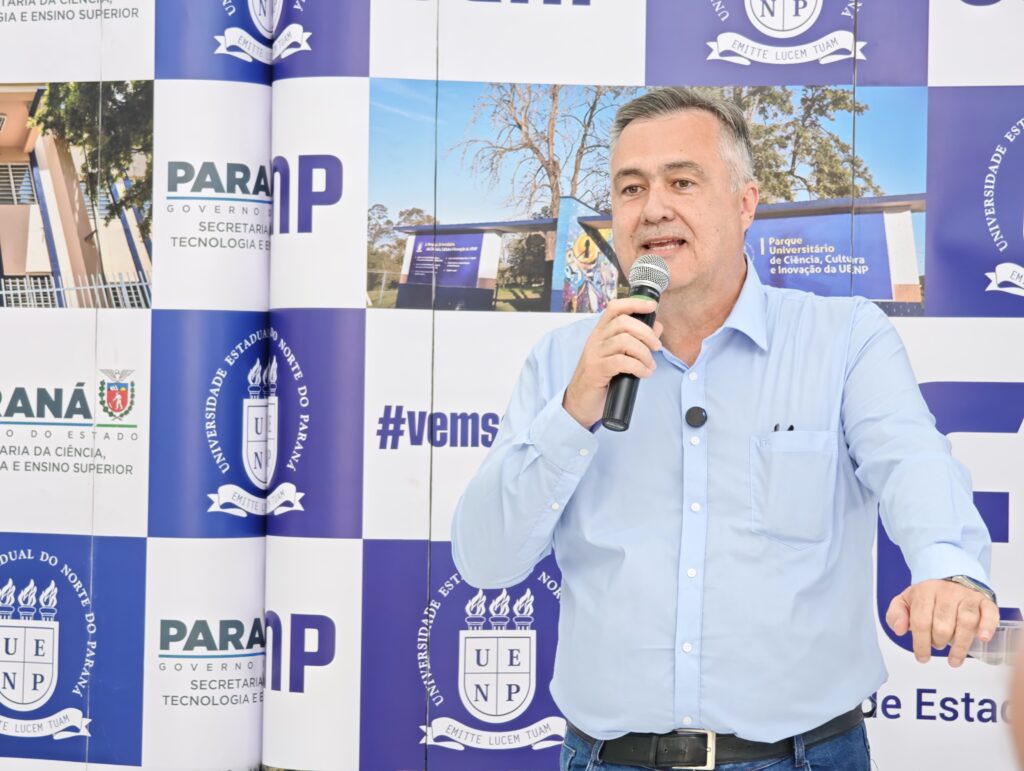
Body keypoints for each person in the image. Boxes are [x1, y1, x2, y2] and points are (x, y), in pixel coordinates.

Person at [450, 87, 997, 771]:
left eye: (682, 181)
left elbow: (913, 461)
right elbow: (486, 560)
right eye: (631, 188)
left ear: (745, 203)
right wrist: (573, 412)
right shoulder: (564, 362)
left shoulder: (844, 338)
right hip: (607, 757)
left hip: (804, 756)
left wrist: (947, 567)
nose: (654, 208)